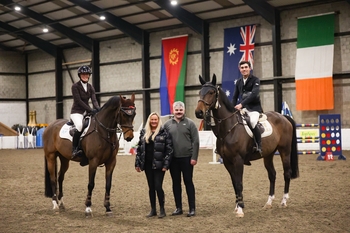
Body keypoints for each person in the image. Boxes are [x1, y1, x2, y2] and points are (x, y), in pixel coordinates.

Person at [164, 101, 199, 217]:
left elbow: (196, 141)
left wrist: (194, 157)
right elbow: (164, 142)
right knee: (176, 183)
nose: (178, 112)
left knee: (188, 182)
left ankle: (192, 208)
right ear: (173, 111)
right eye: (176, 110)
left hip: (187, 159)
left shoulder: (190, 124)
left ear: (184, 110)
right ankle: (178, 207)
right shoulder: (167, 124)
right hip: (173, 160)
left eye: (180, 110)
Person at [135, 112, 173, 218]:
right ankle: (153, 209)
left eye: (155, 119)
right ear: (149, 120)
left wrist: (166, 164)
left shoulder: (164, 132)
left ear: (158, 120)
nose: (154, 121)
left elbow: (169, 150)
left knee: (158, 186)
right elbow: (139, 149)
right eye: (152, 119)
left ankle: (162, 209)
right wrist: (137, 163)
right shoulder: (144, 132)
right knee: (151, 187)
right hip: (147, 164)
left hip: (159, 164)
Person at [232, 60, 263, 155]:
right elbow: (235, 96)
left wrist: (241, 104)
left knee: (252, 122)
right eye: (242, 68)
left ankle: (259, 145)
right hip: (244, 109)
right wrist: (232, 108)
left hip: (254, 109)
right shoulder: (239, 82)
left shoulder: (255, 80)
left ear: (250, 68)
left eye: (246, 67)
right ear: (239, 69)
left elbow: (254, 94)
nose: (244, 69)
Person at [70, 65, 100, 159]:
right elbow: (79, 101)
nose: (85, 76)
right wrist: (91, 110)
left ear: (89, 75)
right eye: (83, 74)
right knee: (79, 126)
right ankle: (75, 149)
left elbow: (94, 100)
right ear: (80, 75)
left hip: (86, 113)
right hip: (77, 112)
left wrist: (98, 109)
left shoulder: (90, 87)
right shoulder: (75, 86)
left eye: (87, 74)